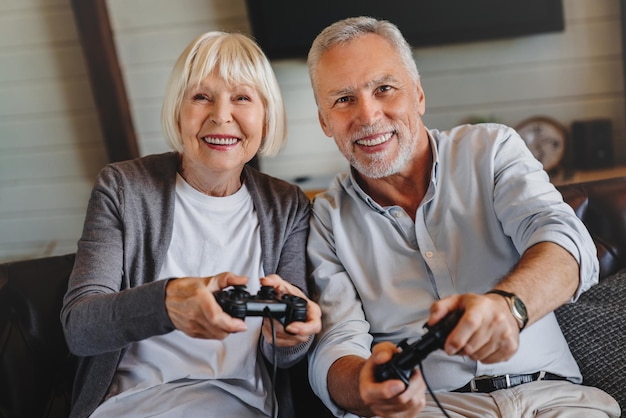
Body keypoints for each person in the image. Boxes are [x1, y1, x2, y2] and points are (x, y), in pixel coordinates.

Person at [305, 16, 621, 418]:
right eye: (343, 100)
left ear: (418, 94)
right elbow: (335, 346)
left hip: (553, 397)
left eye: (384, 88)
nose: (368, 115)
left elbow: (564, 240)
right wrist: (364, 383)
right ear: (324, 121)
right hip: (432, 409)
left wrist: (509, 308)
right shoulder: (327, 218)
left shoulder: (491, 149)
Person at [61, 31, 321, 418]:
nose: (221, 115)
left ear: (266, 116)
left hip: (242, 407)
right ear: (177, 111)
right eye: (201, 96)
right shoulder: (123, 188)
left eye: (242, 98)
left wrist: (288, 336)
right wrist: (168, 302)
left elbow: (283, 352)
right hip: (131, 405)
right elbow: (80, 327)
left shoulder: (288, 206)